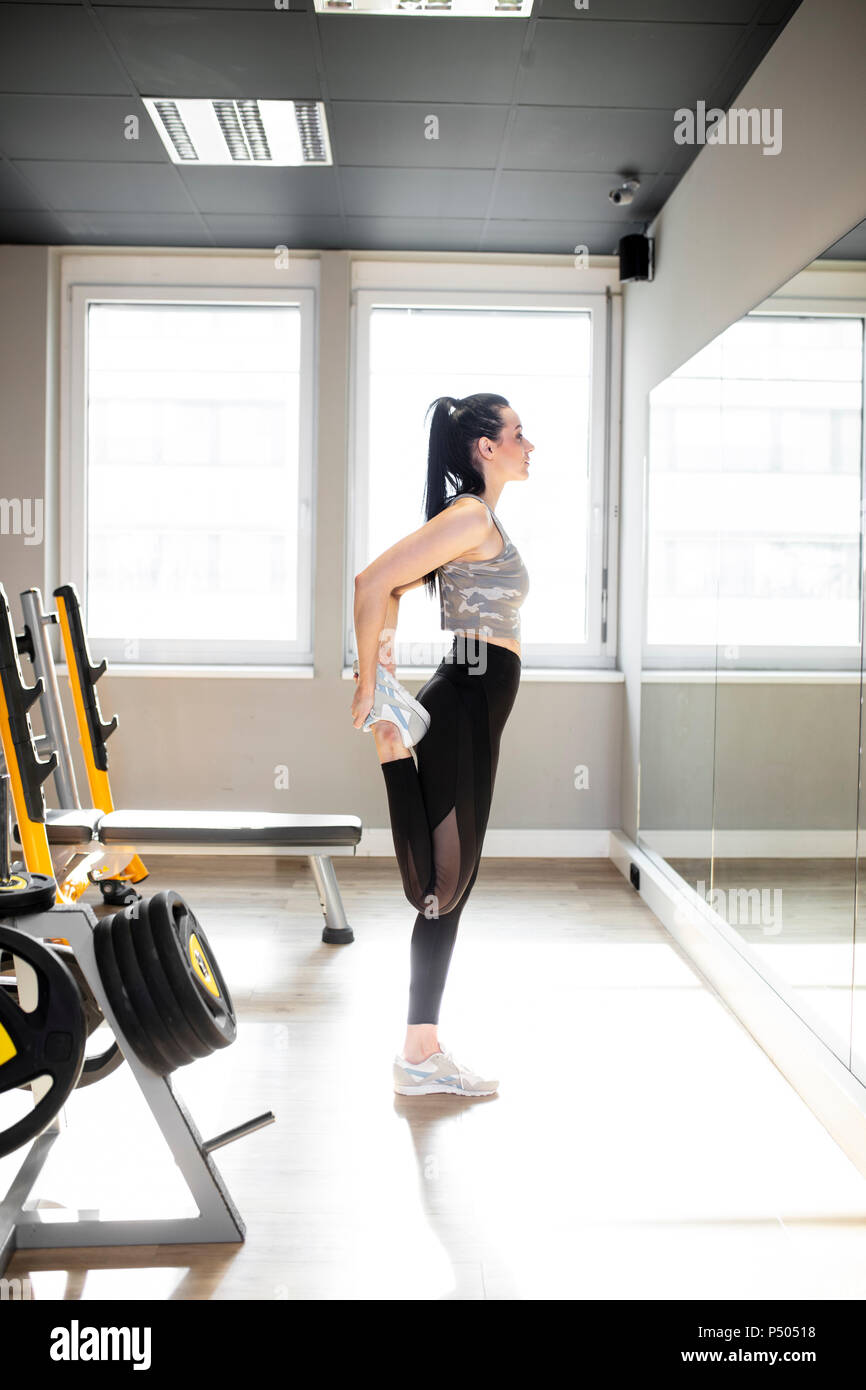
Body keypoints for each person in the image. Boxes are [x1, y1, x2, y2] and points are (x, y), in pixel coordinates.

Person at [352, 393, 532, 1096]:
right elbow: (373, 582)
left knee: (451, 886)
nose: (529, 444)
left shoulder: (475, 519)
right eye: (519, 433)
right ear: (486, 447)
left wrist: (387, 672)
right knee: (441, 886)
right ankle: (417, 1057)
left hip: (470, 706)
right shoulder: (469, 515)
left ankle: (420, 1049)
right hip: (464, 703)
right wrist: (372, 682)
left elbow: (389, 590)